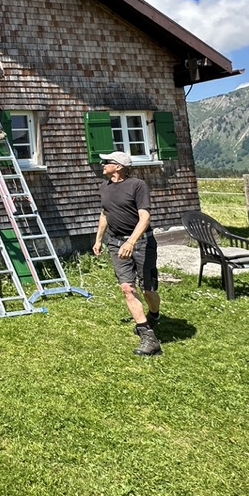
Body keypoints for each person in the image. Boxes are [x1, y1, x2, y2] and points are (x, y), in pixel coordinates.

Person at [92, 151, 163, 356]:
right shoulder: (104, 187)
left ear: (119, 166)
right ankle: (149, 338)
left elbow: (145, 217)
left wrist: (131, 241)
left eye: (107, 162)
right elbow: (105, 214)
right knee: (127, 288)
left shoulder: (137, 186)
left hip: (142, 243)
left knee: (148, 290)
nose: (102, 164)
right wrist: (99, 239)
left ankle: (154, 315)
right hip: (115, 243)